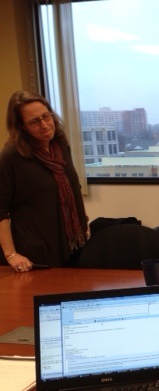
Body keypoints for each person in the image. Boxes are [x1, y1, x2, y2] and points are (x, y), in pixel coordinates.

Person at [0, 91, 89, 272]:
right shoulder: (11, 158)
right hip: (37, 256)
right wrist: (11, 254)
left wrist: (83, 226)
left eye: (46, 116)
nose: (44, 125)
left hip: (74, 247)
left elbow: (73, 188)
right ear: (21, 127)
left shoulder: (61, 147)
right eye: (34, 122)